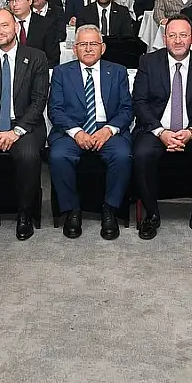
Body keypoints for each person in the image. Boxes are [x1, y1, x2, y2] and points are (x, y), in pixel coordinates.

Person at [131, 15, 192, 243]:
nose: (178, 40)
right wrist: (161, 132)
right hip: (156, 129)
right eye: (172, 35)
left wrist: (191, 131)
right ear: (164, 38)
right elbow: (139, 102)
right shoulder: (148, 62)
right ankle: (151, 215)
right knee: (142, 153)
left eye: (183, 35)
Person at [0, 9, 50, 241]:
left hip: (24, 123)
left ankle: (25, 213)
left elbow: (39, 100)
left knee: (28, 155)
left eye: (4, 25)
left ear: (15, 26)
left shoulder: (36, 57)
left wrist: (16, 131)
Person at [47, 25, 132, 240]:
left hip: (107, 129)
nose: (88, 49)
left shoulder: (118, 71)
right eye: (82, 44)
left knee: (123, 155)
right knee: (57, 156)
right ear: (74, 49)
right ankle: (72, 210)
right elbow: (55, 110)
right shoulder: (61, 72)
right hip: (72, 130)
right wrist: (77, 132)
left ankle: (110, 209)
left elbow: (126, 109)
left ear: (103, 48)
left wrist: (108, 130)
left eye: (93, 44)